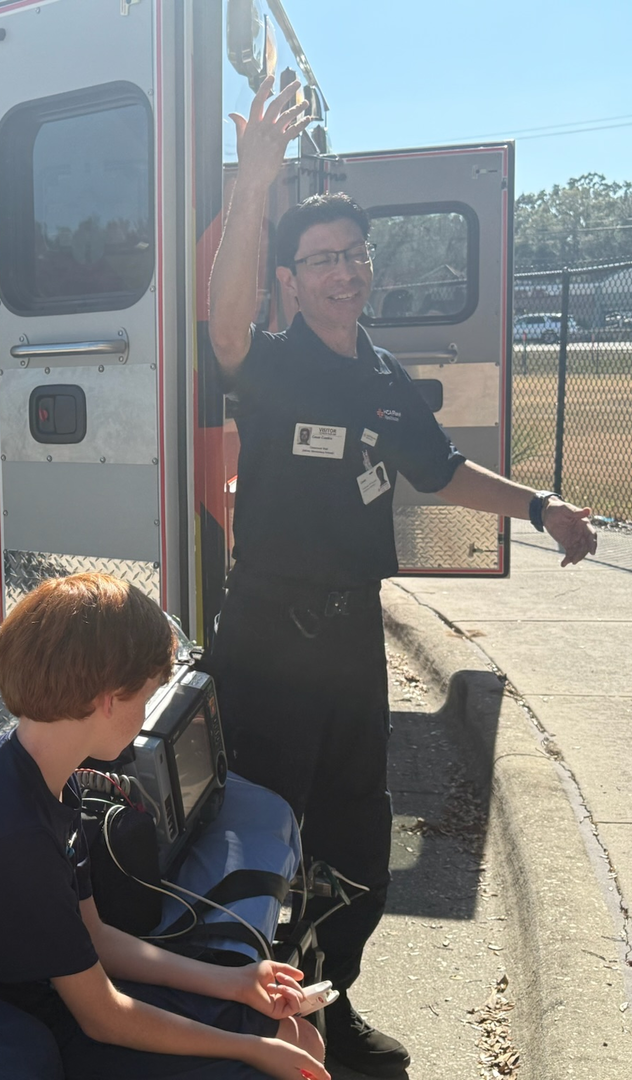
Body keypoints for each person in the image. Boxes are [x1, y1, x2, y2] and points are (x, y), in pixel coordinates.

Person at [205, 76, 600, 1076]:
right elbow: (220, 322)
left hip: (349, 640)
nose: (342, 273)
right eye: (321, 261)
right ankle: (247, 1027)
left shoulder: (381, 375)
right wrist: (254, 189)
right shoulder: (270, 361)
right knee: (259, 838)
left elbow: (441, 472)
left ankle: (332, 1010)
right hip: (268, 635)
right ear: (290, 279)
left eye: (352, 256)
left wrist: (542, 506)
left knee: (355, 838)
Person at [0, 573, 329, 1080]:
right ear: (109, 698)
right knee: (281, 1052)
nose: (145, 713)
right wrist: (248, 1049)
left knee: (296, 1037)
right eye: (145, 697)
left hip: (44, 989)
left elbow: (95, 936)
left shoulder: (42, 767)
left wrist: (234, 980)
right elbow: (101, 1017)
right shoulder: (13, 836)